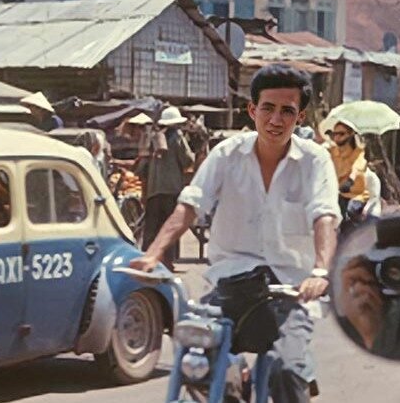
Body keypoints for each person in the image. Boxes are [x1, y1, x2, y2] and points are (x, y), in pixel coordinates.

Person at [132, 63, 339, 403]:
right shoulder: (226, 155)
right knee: (197, 366)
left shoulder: (315, 161)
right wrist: (153, 254)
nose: (276, 120)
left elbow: (325, 216)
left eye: (287, 111)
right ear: (252, 109)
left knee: (286, 371)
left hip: (289, 290)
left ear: (299, 117)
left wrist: (319, 270)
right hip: (228, 285)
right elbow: (190, 205)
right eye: (268, 108)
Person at [137, 105, 193, 270]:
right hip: (171, 190)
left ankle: (147, 257)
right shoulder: (177, 137)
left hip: (154, 190)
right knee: (170, 225)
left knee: (152, 226)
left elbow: (143, 165)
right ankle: (168, 261)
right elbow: (187, 159)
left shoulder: (154, 138)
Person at [328, 121, 371, 236]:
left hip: (355, 195)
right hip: (338, 193)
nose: (337, 137)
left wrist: (350, 180)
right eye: (334, 134)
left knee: (350, 212)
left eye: (341, 134)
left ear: (350, 134)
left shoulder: (358, 152)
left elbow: (358, 167)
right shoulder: (332, 151)